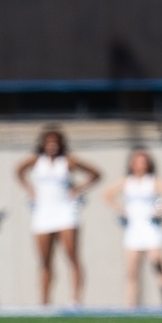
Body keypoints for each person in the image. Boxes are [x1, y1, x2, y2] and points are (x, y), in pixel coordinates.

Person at [16, 126, 101, 306]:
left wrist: (79, 188)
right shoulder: (37, 161)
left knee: (72, 256)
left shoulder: (67, 161)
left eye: (55, 142)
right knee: (45, 260)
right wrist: (29, 189)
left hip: (65, 212)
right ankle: (44, 301)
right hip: (43, 214)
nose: (52, 146)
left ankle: (75, 299)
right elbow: (19, 170)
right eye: (49, 142)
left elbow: (95, 173)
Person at [102, 148, 162, 309]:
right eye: (137, 161)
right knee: (132, 272)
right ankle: (130, 306)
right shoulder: (127, 181)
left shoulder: (152, 181)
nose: (140, 165)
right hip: (133, 230)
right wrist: (120, 209)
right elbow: (107, 194)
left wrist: (161, 210)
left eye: (143, 161)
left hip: (151, 228)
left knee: (158, 265)